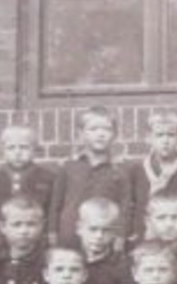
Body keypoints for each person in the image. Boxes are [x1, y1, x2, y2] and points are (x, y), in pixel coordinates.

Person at [48, 106, 133, 249]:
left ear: (115, 135)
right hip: (70, 235)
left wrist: (120, 235)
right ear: (81, 134)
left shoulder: (120, 169)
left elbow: (125, 206)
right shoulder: (69, 167)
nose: (100, 134)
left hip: (103, 237)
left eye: (107, 129)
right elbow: (55, 204)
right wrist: (52, 232)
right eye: (93, 129)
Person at [127, 112, 177, 245]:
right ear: (149, 138)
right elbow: (131, 206)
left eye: (171, 135)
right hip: (143, 239)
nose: (165, 141)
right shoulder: (136, 171)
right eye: (159, 135)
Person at [74, 197, 132, 284]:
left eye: (106, 230)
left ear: (115, 232)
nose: (99, 236)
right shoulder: (69, 262)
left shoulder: (121, 267)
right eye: (93, 229)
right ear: (79, 228)